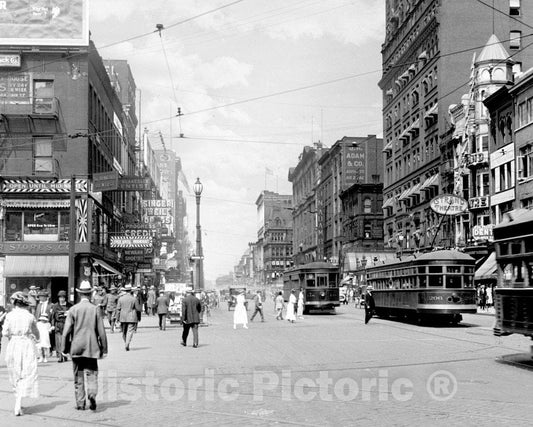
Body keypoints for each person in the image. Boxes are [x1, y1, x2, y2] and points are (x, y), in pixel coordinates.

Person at [62, 280, 107, 411]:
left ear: (80, 294)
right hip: (92, 347)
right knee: (92, 373)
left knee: (78, 375)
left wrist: (64, 349)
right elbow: (102, 332)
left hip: (76, 347)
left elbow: (66, 332)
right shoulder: (95, 309)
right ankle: (92, 395)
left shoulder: (73, 309)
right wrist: (104, 349)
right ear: (90, 294)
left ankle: (80, 403)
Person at [2, 291, 40, 416]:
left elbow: (5, 332)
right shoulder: (29, 316)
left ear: (14, 303)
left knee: (15, 372)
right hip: (26, 344)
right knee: (26, 372)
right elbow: (36, 332)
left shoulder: (9, 315)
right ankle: (18, 402)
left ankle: (17, 401)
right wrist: (34, 337)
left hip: (14, 343)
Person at [115, 283, 141, 351]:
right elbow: (138, 309)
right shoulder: (134, 299)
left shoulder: (120, 299)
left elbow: (118, 309)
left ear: (125, 291)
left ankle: (126, 343)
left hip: (123, 317)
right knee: (130, 331)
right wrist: (139, 317)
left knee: (124, 332)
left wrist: (117, 318)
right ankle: (127, 343)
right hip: (132, 317)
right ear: (131, 291)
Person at [51, 290, 71, 363]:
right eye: (60, 298)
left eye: (63, 298)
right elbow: (52, 317)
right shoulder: (55, 306)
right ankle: (60, 356)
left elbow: (72, 316)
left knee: (65, 340)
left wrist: (67, 314)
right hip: (58, 325)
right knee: (59, 341)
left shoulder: (69, 306)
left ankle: (64, 354)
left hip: (66, 324)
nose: (62, 299)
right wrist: (53, 325)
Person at [35, 289, 53, 363]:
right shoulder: (39, 305)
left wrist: (51, 326)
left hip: (46, 324)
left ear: (46, 297)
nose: (40, 298)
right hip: (39, 324)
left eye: (42, 296)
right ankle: (41, 356)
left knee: (45, 341)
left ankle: (46, 356)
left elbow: (52, 316)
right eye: (40, 297)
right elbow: (36, 315)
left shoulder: (50, 305)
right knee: (39, 342)